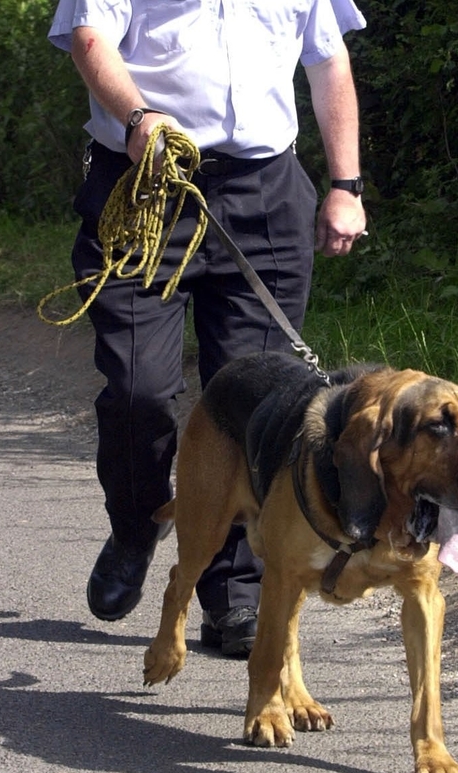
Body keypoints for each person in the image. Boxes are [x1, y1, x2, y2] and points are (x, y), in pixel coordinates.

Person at [48, 0, 367, 656]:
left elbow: (328, 59)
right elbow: (88, 37)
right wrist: (137, 118)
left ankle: (235, 591)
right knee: (140, 389)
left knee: (259, 408)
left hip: (264, 193)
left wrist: (346, 183)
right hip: (145, 185)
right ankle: (138, 524)